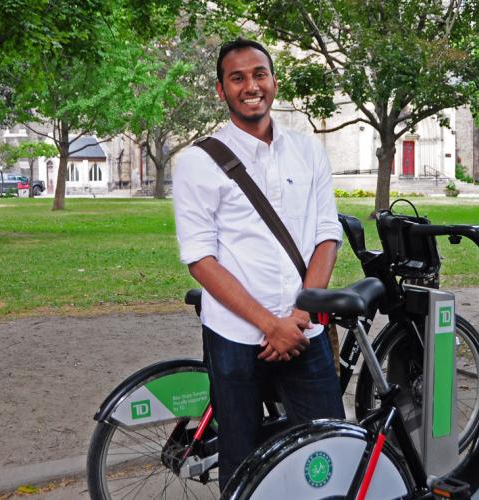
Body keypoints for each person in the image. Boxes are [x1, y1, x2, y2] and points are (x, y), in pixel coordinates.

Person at [172, 37, 345, 490]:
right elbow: (200, 258)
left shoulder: (308, 150)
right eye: (238, 77)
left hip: (305, 332)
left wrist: (299, 316)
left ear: (274, 81)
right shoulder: (196, 162)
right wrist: (270, 324)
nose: (251, 85)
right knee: (243, 463)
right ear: (221, 90)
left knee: (328, 451)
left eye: (259, 74)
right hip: (236, 337)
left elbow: (327, 234)